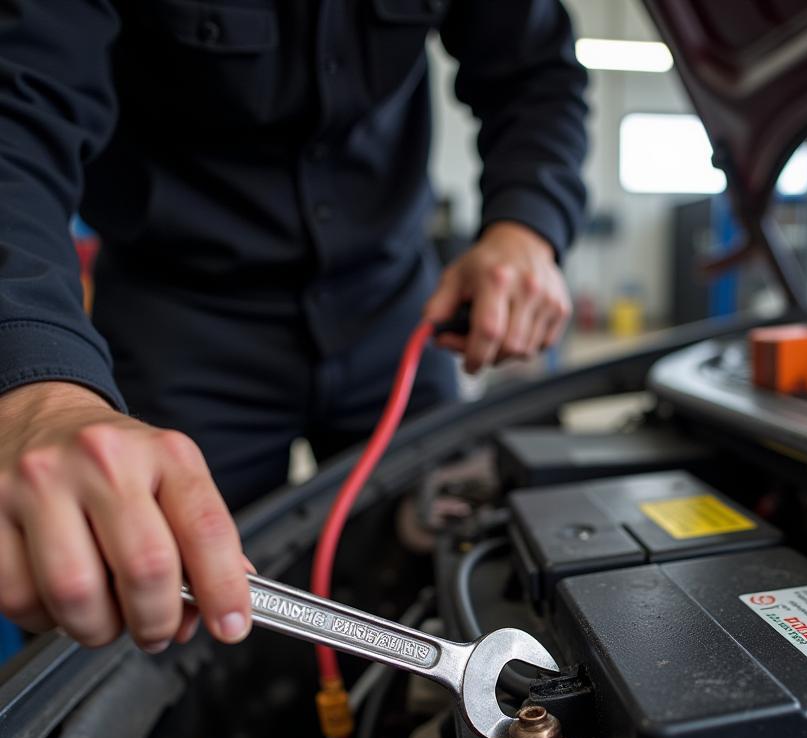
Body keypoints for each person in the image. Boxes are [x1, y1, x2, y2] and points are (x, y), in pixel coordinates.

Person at [0, 2, 587, 655]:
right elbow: (15, 112)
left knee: (448, 574)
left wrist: (526, 225)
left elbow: (537, 74)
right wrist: (39, 385)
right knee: (155, 624)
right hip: (180, 326)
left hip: (395, 312)